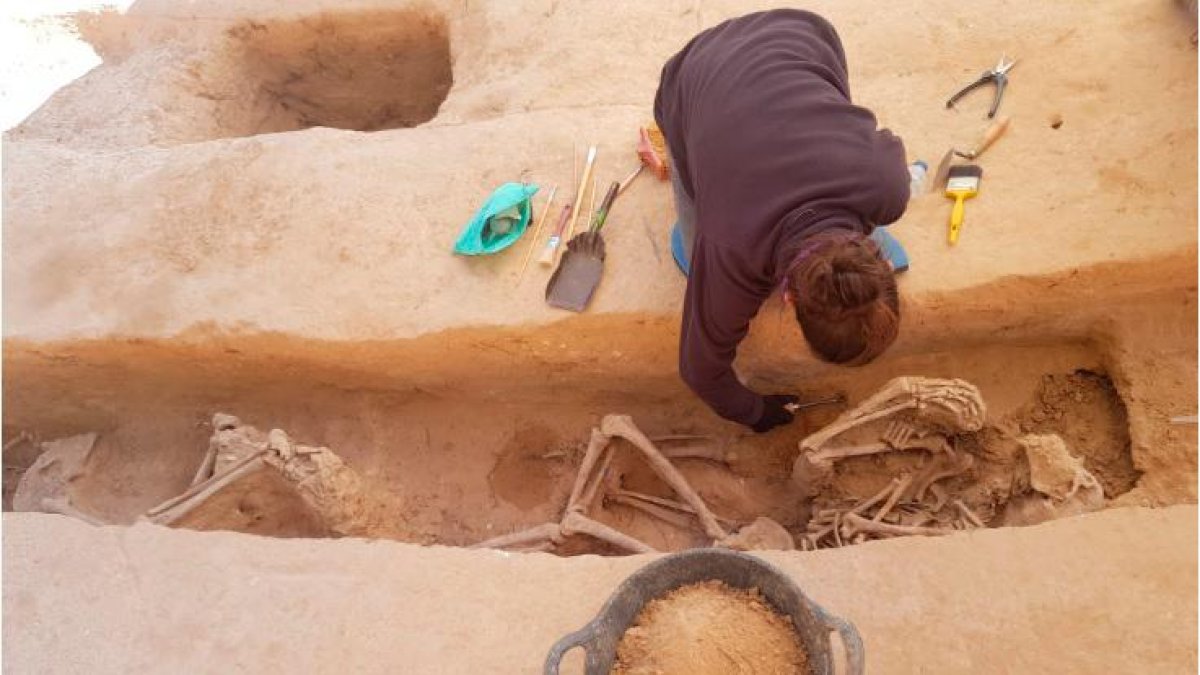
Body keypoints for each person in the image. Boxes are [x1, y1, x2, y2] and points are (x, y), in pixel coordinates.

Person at [653, 9, 908, 433]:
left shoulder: (887, 185)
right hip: (689, 76)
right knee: (695, 241)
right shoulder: (731, 249)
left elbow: (884, 144)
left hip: (803, 32)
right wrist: (756, 413)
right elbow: (699, 369)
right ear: (789, 299)